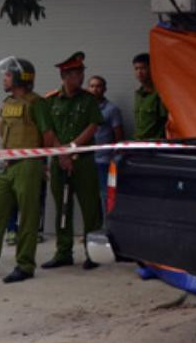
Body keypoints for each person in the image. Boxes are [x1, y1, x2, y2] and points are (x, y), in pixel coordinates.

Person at [0, 57, 54, 283]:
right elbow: (2, 129)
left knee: (28, 217)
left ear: (19, 78)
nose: (3, 79)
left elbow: (48, 136)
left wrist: (43, 162)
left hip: (29, 164)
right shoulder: (7, 102)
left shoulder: (37, 104)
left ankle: (24, 265)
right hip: (8, 163)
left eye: (7, 75)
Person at [43, 52, 104, 270]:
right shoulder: (50, 100)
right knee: (62, 208)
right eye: (77, 73)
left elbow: (93, 126)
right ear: (64, 75)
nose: (80, 76)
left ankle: (93, 253)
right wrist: (61, 154)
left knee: (90, 209)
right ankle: (63, 252)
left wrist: (71, 149)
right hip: (59, 162)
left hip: (83, 161)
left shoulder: (88, 100)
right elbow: (47, 130)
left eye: (81, 72)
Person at [88, 75, 124, 208]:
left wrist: (117, 158)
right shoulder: (85, 109)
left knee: (106, 195)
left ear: (104, 89)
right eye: (92, 86)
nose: (95, 89)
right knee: (90, 196)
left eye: (98, 86)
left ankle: (108, 226)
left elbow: (119, 135)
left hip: (104, 161)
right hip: (88, 160)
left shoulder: (111, 109)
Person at [132, 53, 167, 140]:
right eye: (136, 69)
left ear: (151, 69)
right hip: (140, 143)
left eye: (143, 68)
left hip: (156, 144)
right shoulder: (139, 94)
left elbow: (167, 122)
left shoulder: (160, 93)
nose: (139, 72)